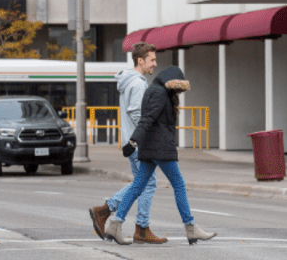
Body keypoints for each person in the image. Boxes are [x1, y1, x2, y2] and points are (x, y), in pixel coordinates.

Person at [104, 65, 217, 245]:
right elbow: (147, 118)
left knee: (137, 186)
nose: (177, 93)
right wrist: (133, 142)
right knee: (179, 184)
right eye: (177, 89)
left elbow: (148, 118)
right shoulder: (160, 93)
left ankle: (115, 224)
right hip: (160, 147)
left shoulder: (153, 90)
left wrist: (136, 142)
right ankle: (191, 227)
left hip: (150, 148)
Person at [90, 42, 165, 243]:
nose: (155, 64)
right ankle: (133, 223)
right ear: (140, 60)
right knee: (147, 183)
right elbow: (136, 113)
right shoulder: (138, 83)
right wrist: (148, 137)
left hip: (132, 142)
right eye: (152, 60)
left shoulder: (130, 81)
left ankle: (110, 213)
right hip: (139, 144)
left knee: (142, 183)